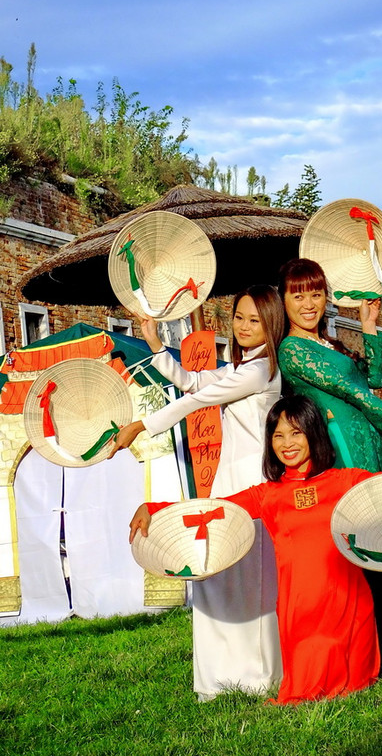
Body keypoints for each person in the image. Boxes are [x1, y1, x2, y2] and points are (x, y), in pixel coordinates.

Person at [130, 396, 382, 706]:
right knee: (305, 687)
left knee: (355, 684)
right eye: (278, 436)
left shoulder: (344, 481)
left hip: (347, 598)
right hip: (299, 605)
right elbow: (214, 509)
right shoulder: (267, 495)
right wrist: (155, 507)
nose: (287, 444)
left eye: (296, 433)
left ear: (313, 434)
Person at [111, 285, 285, 699]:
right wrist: (155, 340)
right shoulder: (242, 368)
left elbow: (198, 400)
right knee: (216, 574)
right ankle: (218, 679)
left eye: (254, 320)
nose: (243, 327)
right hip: (227, 479)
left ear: (272, 324)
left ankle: (257, 678)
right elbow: (192, 382)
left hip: (254, 482)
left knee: (249, 578)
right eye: (239, 318)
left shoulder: (260, 372)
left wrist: (142, 425)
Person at [276, 258, 382, 666]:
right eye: (298, 295)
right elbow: (348, 390)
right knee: (362, 542)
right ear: (284, 300)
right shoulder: (292, 350)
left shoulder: (331, 343)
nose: (308, 304)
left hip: (371, 442)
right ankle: (367, 654)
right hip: (343, 448)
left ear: (326, 297)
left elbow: (373, 379)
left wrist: (368, 327)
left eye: (316, 293)